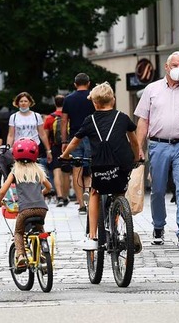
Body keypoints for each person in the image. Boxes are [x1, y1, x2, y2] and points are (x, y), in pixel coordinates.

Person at [60, 82, 140, 250]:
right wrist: (137, 156)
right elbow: (133, 141)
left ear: (95, 103)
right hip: (122, 164)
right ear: (114, 100)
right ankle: (123, 226)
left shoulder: (90, 120)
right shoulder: (123, 117)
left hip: (101, 165)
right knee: (119, 190)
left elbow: (75, 141)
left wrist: (65, 155)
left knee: (95, 191)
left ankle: (93, 236)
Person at [134, 51, 179, 247]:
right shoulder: (151, 89)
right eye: (175, 66)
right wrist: (139, 148)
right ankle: (158, 226)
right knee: (157, 189)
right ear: (166, 67)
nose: (178, 70)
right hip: (158, 144)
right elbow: (143, 121)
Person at [0, 138, 52, 272]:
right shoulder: (38, 170)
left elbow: (3, 190)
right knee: (40, 230)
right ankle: (43, 256)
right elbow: (49, 188)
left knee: (19, 232)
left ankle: (20, 256)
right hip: (42, 209)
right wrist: (40, 194)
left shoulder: (15, 172)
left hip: (25, 210)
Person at [61, 73, 96, 214]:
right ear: (88, 83)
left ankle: (81, 204)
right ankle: (90, 199)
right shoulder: (93, 97)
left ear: (75, 84)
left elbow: (64, 121)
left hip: (75, 137)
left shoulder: (68, 99)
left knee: (77, 170)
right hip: (92, 136)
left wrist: (64, 141)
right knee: (90, 170)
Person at [6, 92, 52, 163]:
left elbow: (42, 134)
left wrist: (48, 150)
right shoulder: (13, 117)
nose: (23, 103)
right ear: (17, 103)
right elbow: (11, 135)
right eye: (21, 101)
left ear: (30, 103)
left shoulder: (37, 116)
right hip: (19, 147)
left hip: (34, 147)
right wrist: (8, 149)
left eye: (25, 101)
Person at [43, 95, 71, 207]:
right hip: (67, 146)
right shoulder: (68, 117)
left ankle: (59, 196)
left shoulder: (50, 118)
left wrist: (48, 150)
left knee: (56, 171)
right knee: (66, 172)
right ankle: (65, 196)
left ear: (55, 103)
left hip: (55, 147)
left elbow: (45, 135)